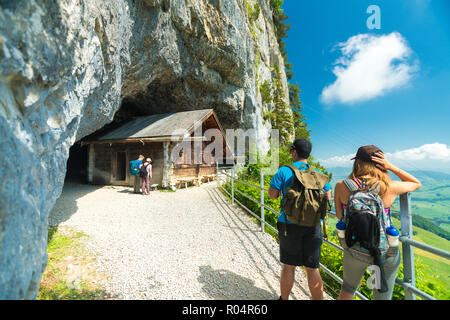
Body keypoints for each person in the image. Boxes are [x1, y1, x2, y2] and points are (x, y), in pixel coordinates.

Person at [334, 145, 421, 300]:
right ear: (380, 164)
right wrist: (391, 166)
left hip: (354, 249)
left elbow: (341, 216)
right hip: (382, 253)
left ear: (357, 163)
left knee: (348, 289)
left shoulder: (341, 186)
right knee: (380, 296)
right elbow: (416, 183)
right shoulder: (389, 187)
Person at [268, 139, 332, 300]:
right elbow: (327, 199)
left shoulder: (283, 171)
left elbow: (272, 194)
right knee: (312, 268)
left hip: (289, 225)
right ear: (308, 154)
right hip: (313, 226)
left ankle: (284, 299)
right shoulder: (318, 173)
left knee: (289, 266)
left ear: (294, 152)